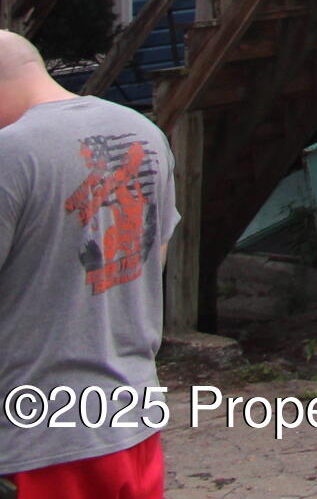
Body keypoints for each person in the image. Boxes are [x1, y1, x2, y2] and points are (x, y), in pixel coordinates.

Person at [0, 30, 177, 499]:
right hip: (132, 418)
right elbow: (149, 260)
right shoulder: (144, 132)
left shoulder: (10, 153)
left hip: (38, 438)